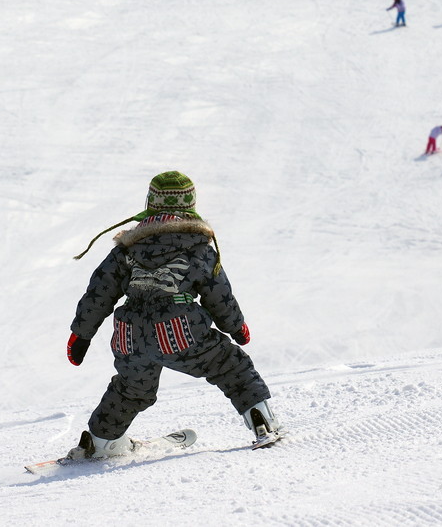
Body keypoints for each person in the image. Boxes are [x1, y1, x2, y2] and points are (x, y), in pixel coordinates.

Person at [65, 171, 281, 458]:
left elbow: (99, 293)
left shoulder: (126, 249)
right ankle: (261, 422)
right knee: (230, 366)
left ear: (150, 204)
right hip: (178, 330)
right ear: (190, 207)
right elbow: (219, 294)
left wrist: (81, 334)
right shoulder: (198, 248)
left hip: (129, 334)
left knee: (131, 389)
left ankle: (100, 442)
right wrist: (236, 327)